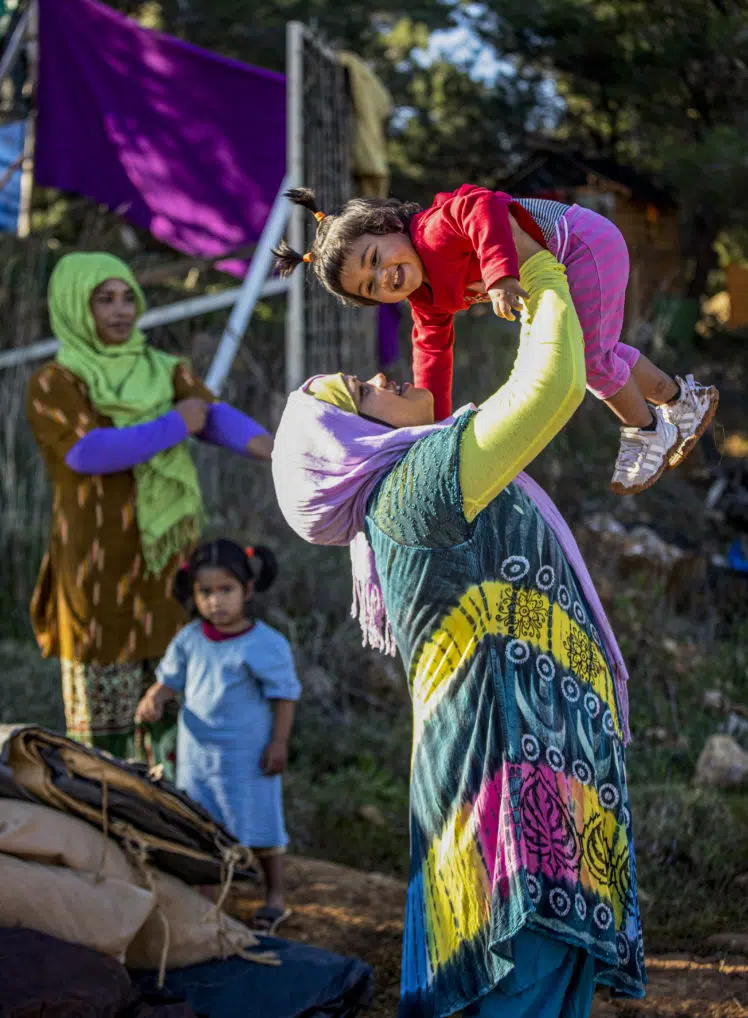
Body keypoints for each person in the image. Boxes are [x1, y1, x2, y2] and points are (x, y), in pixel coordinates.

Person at [271, 231, 646, 1017]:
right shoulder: (413, 488)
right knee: (517, 980)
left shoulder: (419, 482)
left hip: (535, 770)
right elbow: (550, 386)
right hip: (506, 781)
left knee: (538, 977)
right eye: (360, 389)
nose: (381, 374)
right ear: (351, 442)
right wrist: (538, 259)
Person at [274, 184, 718, 497]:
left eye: (375, 259)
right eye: (370, 287)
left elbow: (480, 206)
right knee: (604, 351)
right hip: (578, 248)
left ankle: (646, 432)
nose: (382, 276)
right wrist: (437, 431)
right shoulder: (426, 300)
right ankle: (681, 400)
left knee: (589, 359)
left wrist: (500, 273)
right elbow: (432, 358)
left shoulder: (430, 231)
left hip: (579, 243)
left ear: (390, 224)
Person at [26, 252, 274, 770]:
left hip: (165, 565)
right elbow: (88, 452)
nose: (120, 311)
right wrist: (175, 425)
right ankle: (106, 823)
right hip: (96, 573)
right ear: (74, 306)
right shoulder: (56, 382)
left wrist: (278, 449)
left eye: (127, 298)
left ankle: (176, 824)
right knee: (104, 734)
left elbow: (214, 417)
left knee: (175, 709)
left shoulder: (161, 371)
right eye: (103, 299)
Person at [135, 538, 301, 934]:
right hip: (198, 760)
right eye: (205, 592)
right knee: (201, 827)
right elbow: (168, 681)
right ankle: (207, 901)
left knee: (262, 823)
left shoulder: (266, 643)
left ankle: (274, 895)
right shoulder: (190, 639)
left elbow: (284, 697)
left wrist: (278, 744)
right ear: (193, 594)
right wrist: (154, 698)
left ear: (247, 589)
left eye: (225, 590)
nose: (216, 602)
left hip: (249, 758)